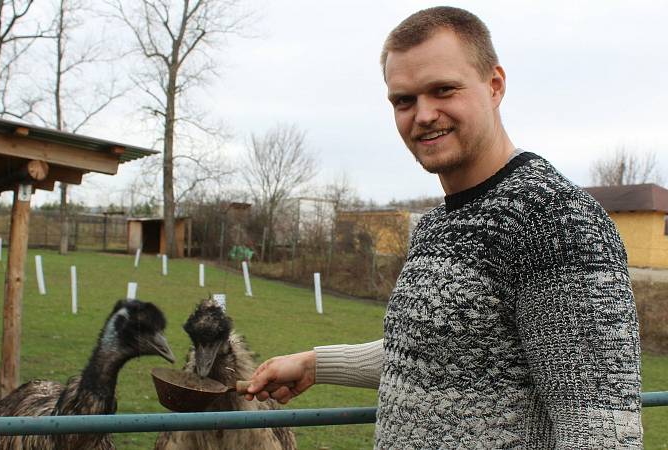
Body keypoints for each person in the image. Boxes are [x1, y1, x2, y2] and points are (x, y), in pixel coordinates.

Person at [246, 6, 642, 449]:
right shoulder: (439, 223)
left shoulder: (552, 219)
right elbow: (442, 350)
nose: (424, 114)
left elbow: (600, 431)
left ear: (495, 85)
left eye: (443, 90)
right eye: (404, 100)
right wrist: (319, 364)